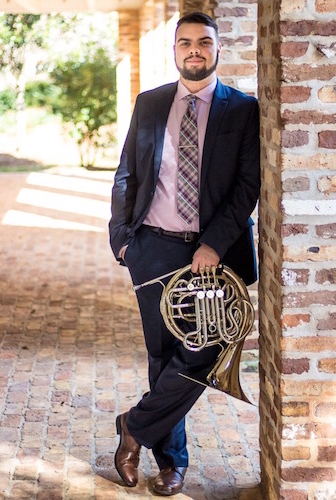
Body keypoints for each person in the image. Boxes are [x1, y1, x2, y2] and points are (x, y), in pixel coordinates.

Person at [109, 11, 260, 496]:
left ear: (218, 49)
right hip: (152, 248)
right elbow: (126, 173)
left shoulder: (243, 109)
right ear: (174, 50)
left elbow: (247, 185)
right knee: (162, 354)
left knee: (204, 353)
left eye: (204, 42)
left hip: (212, 258)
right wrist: (123, 239)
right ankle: (172, 463)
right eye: (185, 43)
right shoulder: (150, 104)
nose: (194, 50)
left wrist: (214, 243)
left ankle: (134, 426)